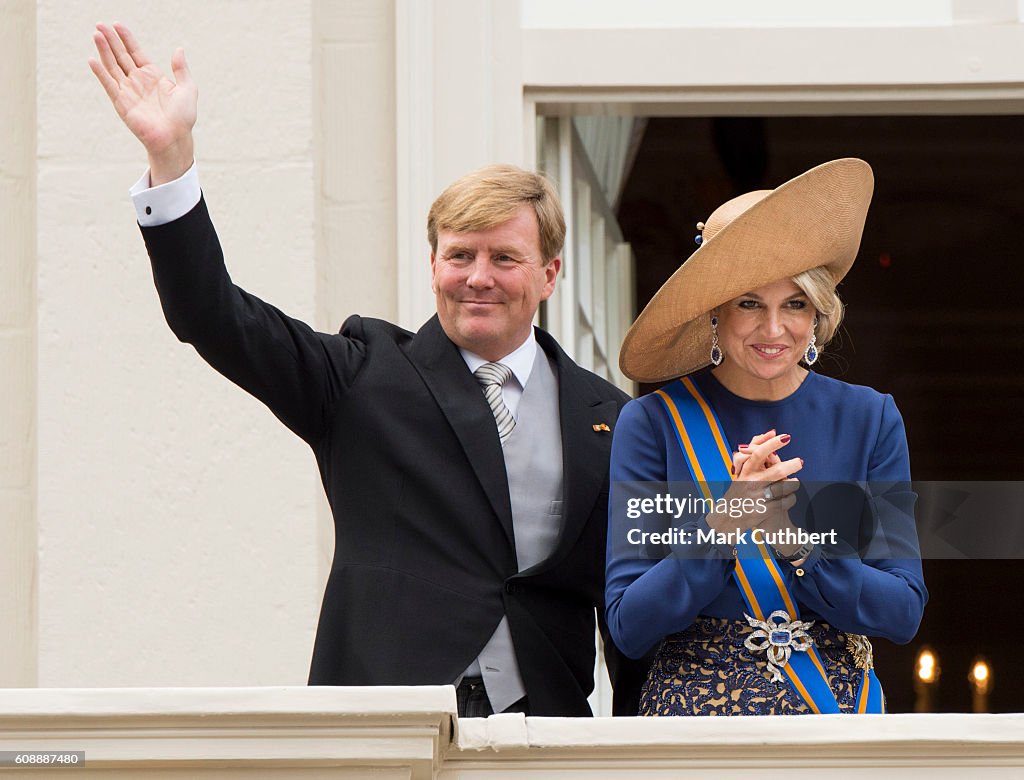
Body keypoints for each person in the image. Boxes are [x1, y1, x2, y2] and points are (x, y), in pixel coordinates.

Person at [89, 22, 644, 717]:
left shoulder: (609, 418)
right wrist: (171, 162)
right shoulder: (362, 376)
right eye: (459, 255)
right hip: (384, 728)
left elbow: (627, 600)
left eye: (503, 258)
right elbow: (214, 316)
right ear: (433, 264)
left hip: (548, 731)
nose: (477, 277)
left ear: (549, 274)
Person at [605, 158, 927, 716]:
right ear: (715, 312)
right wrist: (721, 527)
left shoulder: (870, 418)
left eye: (795, 304)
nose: (774, 329)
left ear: (818, 313)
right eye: (749, 303)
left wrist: (799, 543)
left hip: (833, 728)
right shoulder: (653, 422)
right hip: (696, 726)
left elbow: (901, 611)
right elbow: (628, 626)